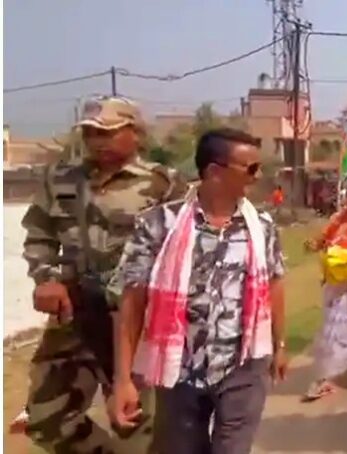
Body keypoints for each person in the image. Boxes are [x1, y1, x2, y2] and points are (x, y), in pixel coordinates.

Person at [20, 96, 187, 453]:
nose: (97, 140)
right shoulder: (60, 178)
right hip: (73, 311)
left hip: (133, 318)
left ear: (135, 133)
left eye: (107, 132)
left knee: (135, 424)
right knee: (47, 418)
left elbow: (185, 249)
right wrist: (46, 277)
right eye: (91, 133)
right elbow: (39, 234)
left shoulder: (164, 184)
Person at [112, 128, 288, 454]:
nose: (258, 176)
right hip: (179, 371)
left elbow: (274, 284)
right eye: (250, 168)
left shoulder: (262, 227)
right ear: (215, 171)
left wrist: (279, 345)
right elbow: (132, 303)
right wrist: (124, 379)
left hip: (244, 366)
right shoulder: (158, 225)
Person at [302, 184, 347, 402]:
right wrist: (313, 245)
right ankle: (325, 378)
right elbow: (322, 241)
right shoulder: (337, 220)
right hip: (335, 286)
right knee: (334, 332)